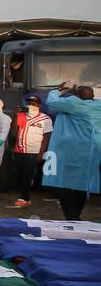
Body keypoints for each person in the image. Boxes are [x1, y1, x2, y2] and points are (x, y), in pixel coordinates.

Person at [44, 83, 101, 220]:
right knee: (81, 184)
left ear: (77, 96)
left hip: (71, 151)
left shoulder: (74, 104)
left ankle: (73, 217)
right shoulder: (98, 106)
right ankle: (75, 217)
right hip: (91, 152)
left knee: (60, 183)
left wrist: (59, 90)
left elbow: (51, 102)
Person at [12, 95, 53, 209]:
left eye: (34, 103)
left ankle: (24, 198)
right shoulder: (21, 116)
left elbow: (46, 137)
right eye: (29, 103)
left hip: (33, 151)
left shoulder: (45, 119)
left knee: (28, 175)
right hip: (19, 150)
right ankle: (26, 198)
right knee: (20, 174)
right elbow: (14, 133)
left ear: (39, 105)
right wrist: (15, 116)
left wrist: (41, 153)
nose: (31, 105)